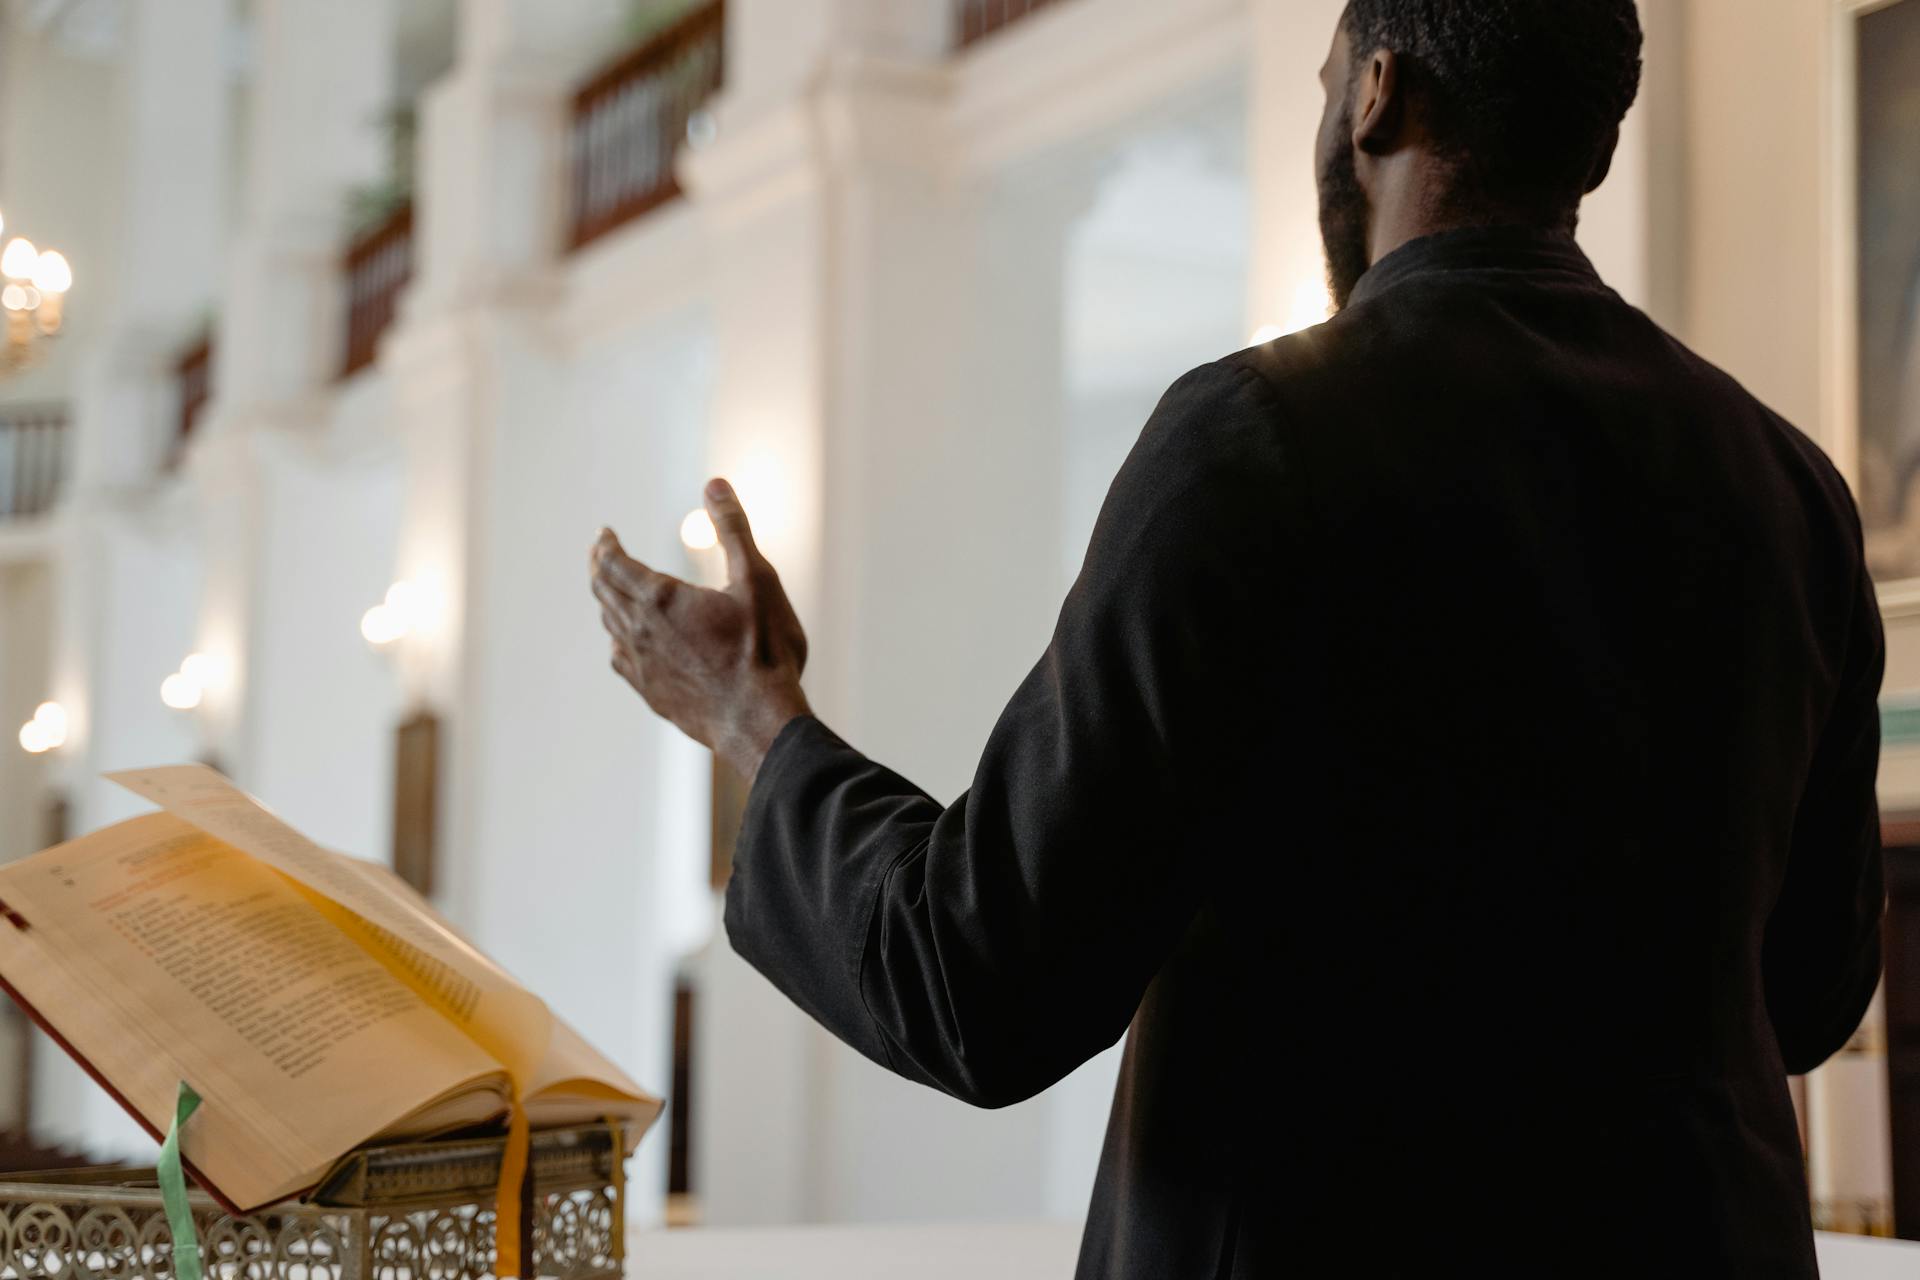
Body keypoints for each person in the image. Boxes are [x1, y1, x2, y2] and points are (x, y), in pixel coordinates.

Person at [589, 1, 1885, 1273]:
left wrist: (746, 713)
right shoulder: (1786, 485)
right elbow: (1813, 993)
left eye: (1327, 82)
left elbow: (980, 980)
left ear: (1378, 94)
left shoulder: (1260, 444)